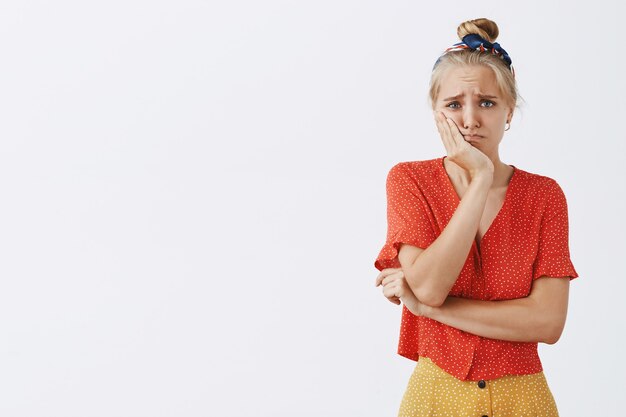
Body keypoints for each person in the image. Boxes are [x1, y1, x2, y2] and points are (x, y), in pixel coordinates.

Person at [373, 18, 578, 417]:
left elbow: (548, 323)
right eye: (453, 105)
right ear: (436, 111)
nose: (469, 120)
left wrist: (431, 311)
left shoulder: (544, 195)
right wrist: (480, 177)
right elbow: (431, 286)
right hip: (436, 396)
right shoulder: (409, 181)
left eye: (487, 102)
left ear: (509, 111)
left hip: (524, 400)